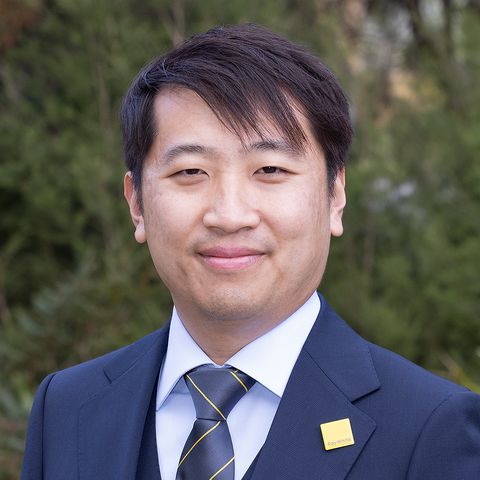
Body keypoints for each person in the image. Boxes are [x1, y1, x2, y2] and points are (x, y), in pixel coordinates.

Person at [21, 24, 480, 480]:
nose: (229, 215)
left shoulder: (431, 428)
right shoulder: (66, 408)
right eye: (190, 172)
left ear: (335, 196)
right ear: (136, 203)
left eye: (270, 169)